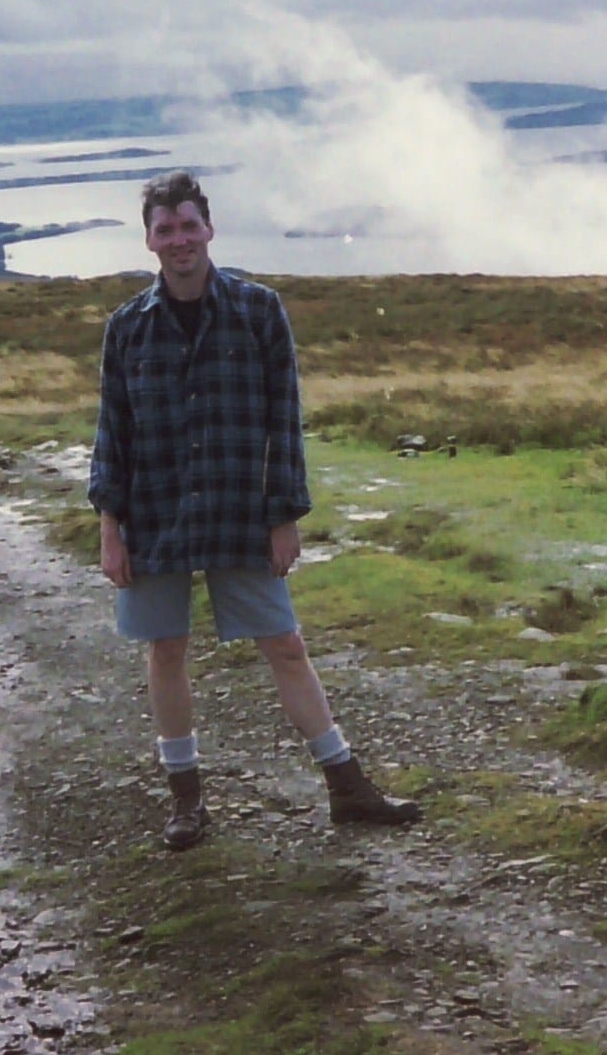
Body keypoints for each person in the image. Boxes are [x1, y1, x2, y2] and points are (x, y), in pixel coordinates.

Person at [89, 170, 420, 850]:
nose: (179, 239)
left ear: (208, 229)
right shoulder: (126, 328)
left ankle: (347, 786)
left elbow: (284, 418)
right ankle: (186, 802)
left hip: (241, 509)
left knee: (285, 644)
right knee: (167, 648)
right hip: (154, 514)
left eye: (189, 225)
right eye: (165, 228)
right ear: (149, 240)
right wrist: (110, 529)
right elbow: (111, 432)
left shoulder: (260, 310)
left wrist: (285, 515)